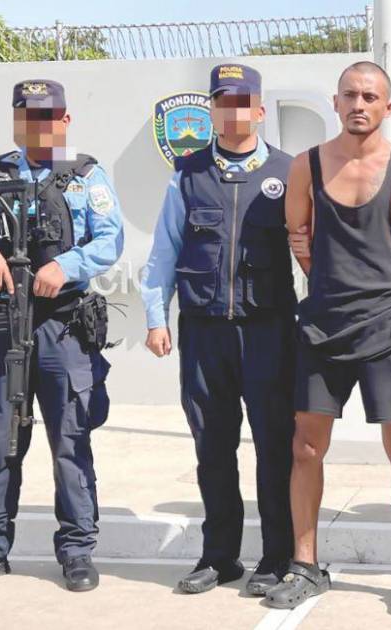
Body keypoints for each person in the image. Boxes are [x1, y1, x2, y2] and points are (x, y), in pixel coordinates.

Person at [263, 61, 391, 616]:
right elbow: (299, 238)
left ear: (388, 106)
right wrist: (331, 288)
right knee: (306, 446)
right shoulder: (306, 166)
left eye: (370, 96)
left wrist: (387, 295)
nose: (359, 104)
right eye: (350, 95)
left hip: (388, 326)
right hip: (322, 325)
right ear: (335, 102)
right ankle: (305, 565)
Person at [0, 79, 124, 592]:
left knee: (70, 440)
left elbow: (110, 239)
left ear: (64, 121)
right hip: (2, 324)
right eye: (27, 116)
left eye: (47, 116)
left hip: (62, 326)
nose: (37, 126)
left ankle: (77, 551)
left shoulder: (86, 177)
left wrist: (67, 266)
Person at [141, 63, 296, 596]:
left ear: (259, 109)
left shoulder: (287, 172)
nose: (231, 112)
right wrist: (156, 318)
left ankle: (276, 556)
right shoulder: (188, 173)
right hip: (204, 332)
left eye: (241, 102)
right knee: (212, 448)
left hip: (268, 331)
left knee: (274, 447)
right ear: (211, 110)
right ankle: (220, 556)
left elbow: (310, 251)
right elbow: (164, 250)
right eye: (222, 102)